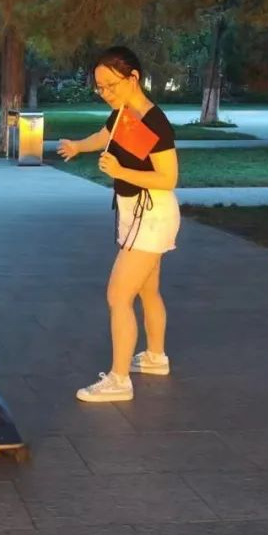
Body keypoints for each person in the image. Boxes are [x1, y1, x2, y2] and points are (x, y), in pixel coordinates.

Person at [57, 46, 180, 403]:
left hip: (151, 215)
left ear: (133, 78)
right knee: (147, 290)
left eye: (110, 85)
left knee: (118, 295)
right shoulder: (125, 114)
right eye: (99, 87)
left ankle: (119, 379)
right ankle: (155, 357)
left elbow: (168, 178)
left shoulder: (153, 122)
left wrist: (120, 170)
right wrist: (78, 146)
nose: (105, 93)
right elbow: (104, 135)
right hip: (136, 212)